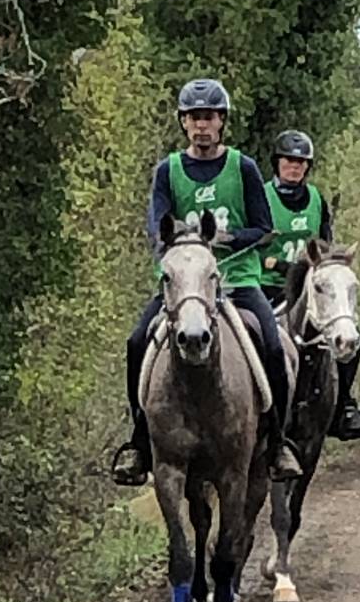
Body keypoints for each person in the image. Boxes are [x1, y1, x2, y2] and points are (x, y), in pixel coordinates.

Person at [111, 78, 302, 486]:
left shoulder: (244, 167)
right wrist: (185, 249)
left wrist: (226, 240)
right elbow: (157, 227)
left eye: (209, 118)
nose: (202, 126)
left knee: (272, 344)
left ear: (221, 122)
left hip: (238, 279)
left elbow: (265, 228)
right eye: (194, 118)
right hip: (185, 288)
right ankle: (140, 445)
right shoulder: (168, 170)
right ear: (183, 123)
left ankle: (279, 443)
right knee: (135, 342)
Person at [260, 129, 360, 441]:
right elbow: (251, 249)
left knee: (353, 337)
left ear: (307, 167)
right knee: (258, 336)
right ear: (277, 163)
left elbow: (326, 248)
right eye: (288, 161)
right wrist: (282, 266)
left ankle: (343, 407)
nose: (294, 167)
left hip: (309, 288)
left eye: (300, 162)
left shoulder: (317, 201)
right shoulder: (261, 197)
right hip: (267, 285)